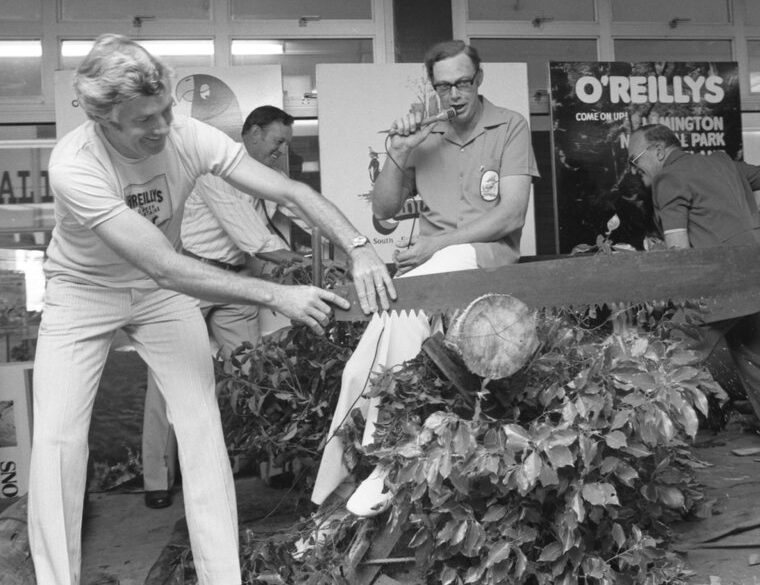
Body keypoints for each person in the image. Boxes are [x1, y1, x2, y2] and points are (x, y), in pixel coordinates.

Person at [28, 34, 395, 585]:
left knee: (201, 427)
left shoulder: (186, 135)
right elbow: (164, 265)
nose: (161, 127)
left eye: (165, 110)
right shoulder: (74, 167)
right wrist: (277, 294)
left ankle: (222, 577)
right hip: (83, 291)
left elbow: (290, 192)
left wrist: (359, 247)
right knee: (58, 443)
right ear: (104, 120)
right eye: (144, 120)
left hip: (158, 295)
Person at [300, 40, 538, 546]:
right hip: (432, 271)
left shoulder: (511, 125)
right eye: (444, 85)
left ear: (479, 79)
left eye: (463, 82)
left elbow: (512, 216)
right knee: (357, 368)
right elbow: (382, 213)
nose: (455, 94)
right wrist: (398, 154)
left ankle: (385, 458)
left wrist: (435, 244)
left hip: (486, 260)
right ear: (434, 86)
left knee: (423, 279)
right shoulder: (424, 134)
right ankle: (330, 496)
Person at [626, 123, 760, 473]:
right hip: (755, 285)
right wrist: (744, 226)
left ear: (659, 151)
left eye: (636, 159)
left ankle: (645, 472)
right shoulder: (723, 163)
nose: (635, 169)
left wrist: (667, 299)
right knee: (759, 369)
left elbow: (681, 255)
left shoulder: (668, 178)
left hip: (719, 293)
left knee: (660, 368)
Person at [140, 105, 306, 510]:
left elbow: (301, 209)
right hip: (192, 278)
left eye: (287, 144)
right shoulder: (216, 168)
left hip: (235, 283)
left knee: (257, 373)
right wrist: (304, 264)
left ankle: (273, 463)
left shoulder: (271, 176)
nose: (281, 151)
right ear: (251, 132)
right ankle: (157, 478)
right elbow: (255, 238)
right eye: (277, 141)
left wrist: (337, 245)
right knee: (168, 379)